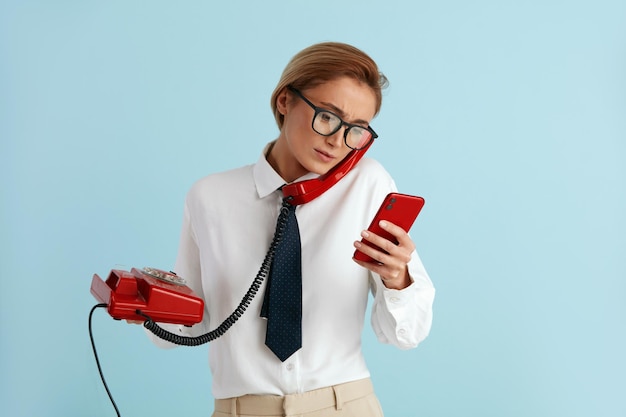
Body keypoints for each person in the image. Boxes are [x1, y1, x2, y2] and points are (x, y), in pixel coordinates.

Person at [146, 41, 435, 417]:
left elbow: (404, 335)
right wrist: (147, 303)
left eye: (357, 130)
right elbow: (181, 331)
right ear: (285, 101)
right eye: (328, 116)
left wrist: (398, 279)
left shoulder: (369, 184)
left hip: (344, 406)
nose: (337, 140)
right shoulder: (210, 197)